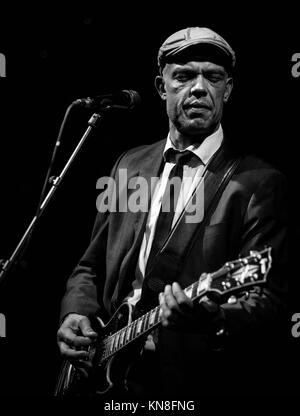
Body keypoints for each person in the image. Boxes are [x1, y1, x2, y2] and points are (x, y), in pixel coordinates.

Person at [57, 27, 287, 398]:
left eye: (212, 77)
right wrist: (75, 312)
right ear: (161, 87)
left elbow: (268, 301)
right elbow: (90, 265)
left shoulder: (259, 183)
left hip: (190, 381)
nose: (199, 88)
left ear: (227, 90)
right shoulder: (128, 165)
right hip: (105, 374)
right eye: (183, 76)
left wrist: (213, 316)